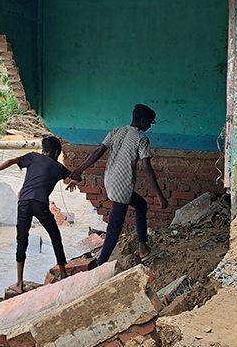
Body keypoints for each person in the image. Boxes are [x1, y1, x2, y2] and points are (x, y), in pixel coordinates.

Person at [67, 104, 168, 265]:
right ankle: (101, 263)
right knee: (115, 227)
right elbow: (147, 168)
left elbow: (98, 152)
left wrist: (80, 170)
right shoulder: (141, 138)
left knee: (141, 205)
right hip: (123, 184)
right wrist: (159, 195)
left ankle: (143, 247)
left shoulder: (116, 131)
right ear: (142, 121)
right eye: (150, 122)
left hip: (109, 179)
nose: (150, 125)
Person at [0, 135, 72, 294]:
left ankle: (19, 283)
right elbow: (76, 177)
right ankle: (63, 273)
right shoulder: (59, 168)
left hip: (23, 203)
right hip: (40, 204)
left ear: (44, 150)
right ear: (57, 152)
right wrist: (73, 181)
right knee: (55, 236)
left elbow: (11, 161)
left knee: (21, 240)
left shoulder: (33, 157)